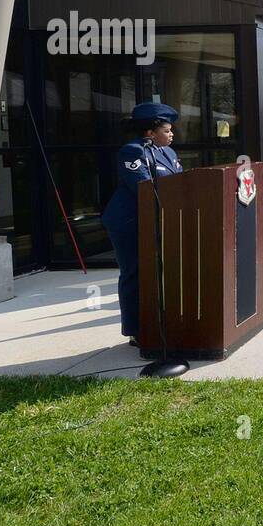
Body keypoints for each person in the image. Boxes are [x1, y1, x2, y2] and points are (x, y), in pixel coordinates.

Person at [102, 102, 185, 345]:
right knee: (135, 273)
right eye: (167, 130)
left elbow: (180, 183)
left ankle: (159, 324)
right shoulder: (133, 151)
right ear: (150, 132)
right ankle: (136, 331)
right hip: (129, 222)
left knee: (159, 274)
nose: (172, 135)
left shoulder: (168, 152)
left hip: (158, 221)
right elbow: (144, 190)